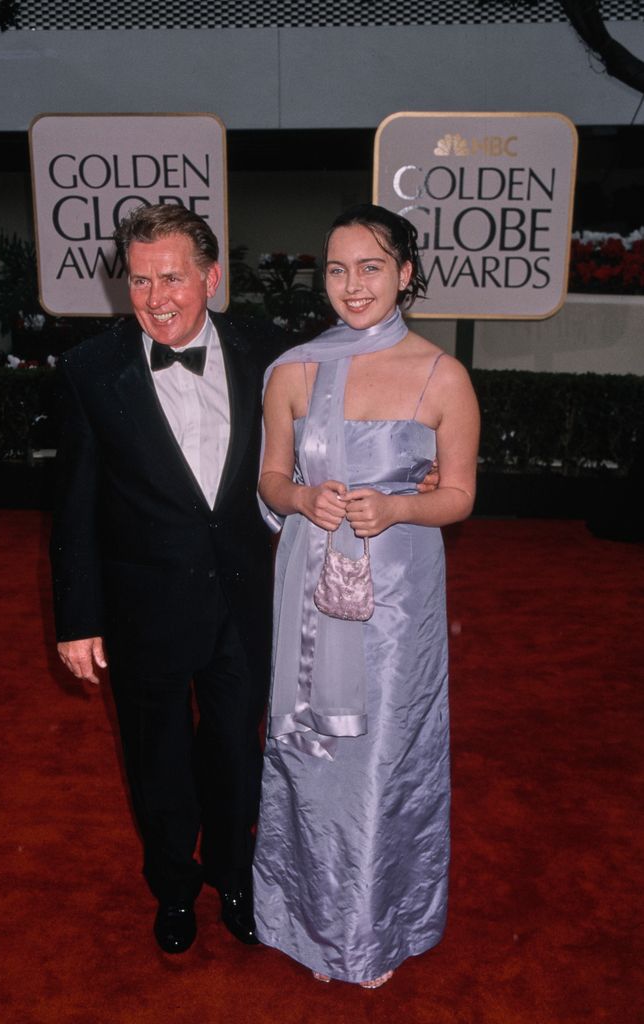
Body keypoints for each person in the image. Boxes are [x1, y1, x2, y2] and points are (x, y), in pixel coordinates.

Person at [253, 204, 480, 987]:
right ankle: (300, 918)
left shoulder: (442, 374)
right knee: (309, 749)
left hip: (398, 594)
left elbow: (458, 496)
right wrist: (296, 500)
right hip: (312, 583)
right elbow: (270, 477)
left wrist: (398, 507)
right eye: (338, 268)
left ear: (406, 274)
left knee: (385, 753)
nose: (352, 285)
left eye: (371, 267)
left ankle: (375, 926)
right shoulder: (293, 369)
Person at [50, 203, 286, 955]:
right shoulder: (92, 371)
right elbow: (74, 506)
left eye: (173, 278)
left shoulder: (269, 355)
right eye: (141, 280)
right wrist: (77, 618)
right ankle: (175, 889)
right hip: (142, 608)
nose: (155, 298)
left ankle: (235, 878)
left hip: (244, 601)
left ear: (211, 278)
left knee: (236, 752)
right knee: (156, 765)